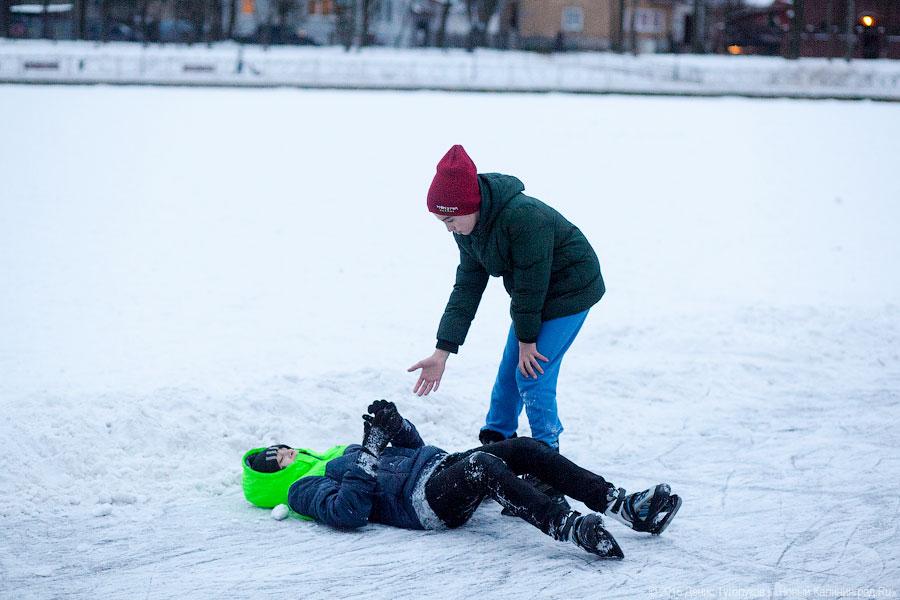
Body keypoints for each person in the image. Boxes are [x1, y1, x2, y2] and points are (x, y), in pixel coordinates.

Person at [242, 401, 681, 560]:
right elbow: (349, 511)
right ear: (272, 479)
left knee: (524, 447)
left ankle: (622, 504)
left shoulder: (338, 453)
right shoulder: (301, 491)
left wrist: (394, 427)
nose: (288, 454)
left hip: (438, 466)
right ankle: (565, 526)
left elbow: (411, 449)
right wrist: (371, 452)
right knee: (484, 469)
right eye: (277, 460)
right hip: (423, 504)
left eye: (283, 448)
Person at [408, 145, 605, 453]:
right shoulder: (469, 230)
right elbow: (467, 289)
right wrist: (442, 351)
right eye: (443, 222)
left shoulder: (524, 218)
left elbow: (530, 283)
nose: (449, 229)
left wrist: (528, 341)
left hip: (571, 289)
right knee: (510, 367)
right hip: (534, 294)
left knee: (531, 374)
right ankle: (497, 438)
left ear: (470, 205)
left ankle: (546, 454)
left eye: (451, 220)